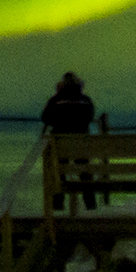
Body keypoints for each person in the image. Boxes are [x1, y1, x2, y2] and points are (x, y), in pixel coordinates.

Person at [40, 72, 101, 210]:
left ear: (62, 86)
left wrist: (58, 95)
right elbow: (89, 118)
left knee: (59, 171)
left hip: (60, 147)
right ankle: (90, 204)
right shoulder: (86, 100)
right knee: (85, 172)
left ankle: (58, 205)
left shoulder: (55, 100)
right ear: (79, 85)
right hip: (81, 145)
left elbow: (45, 118)